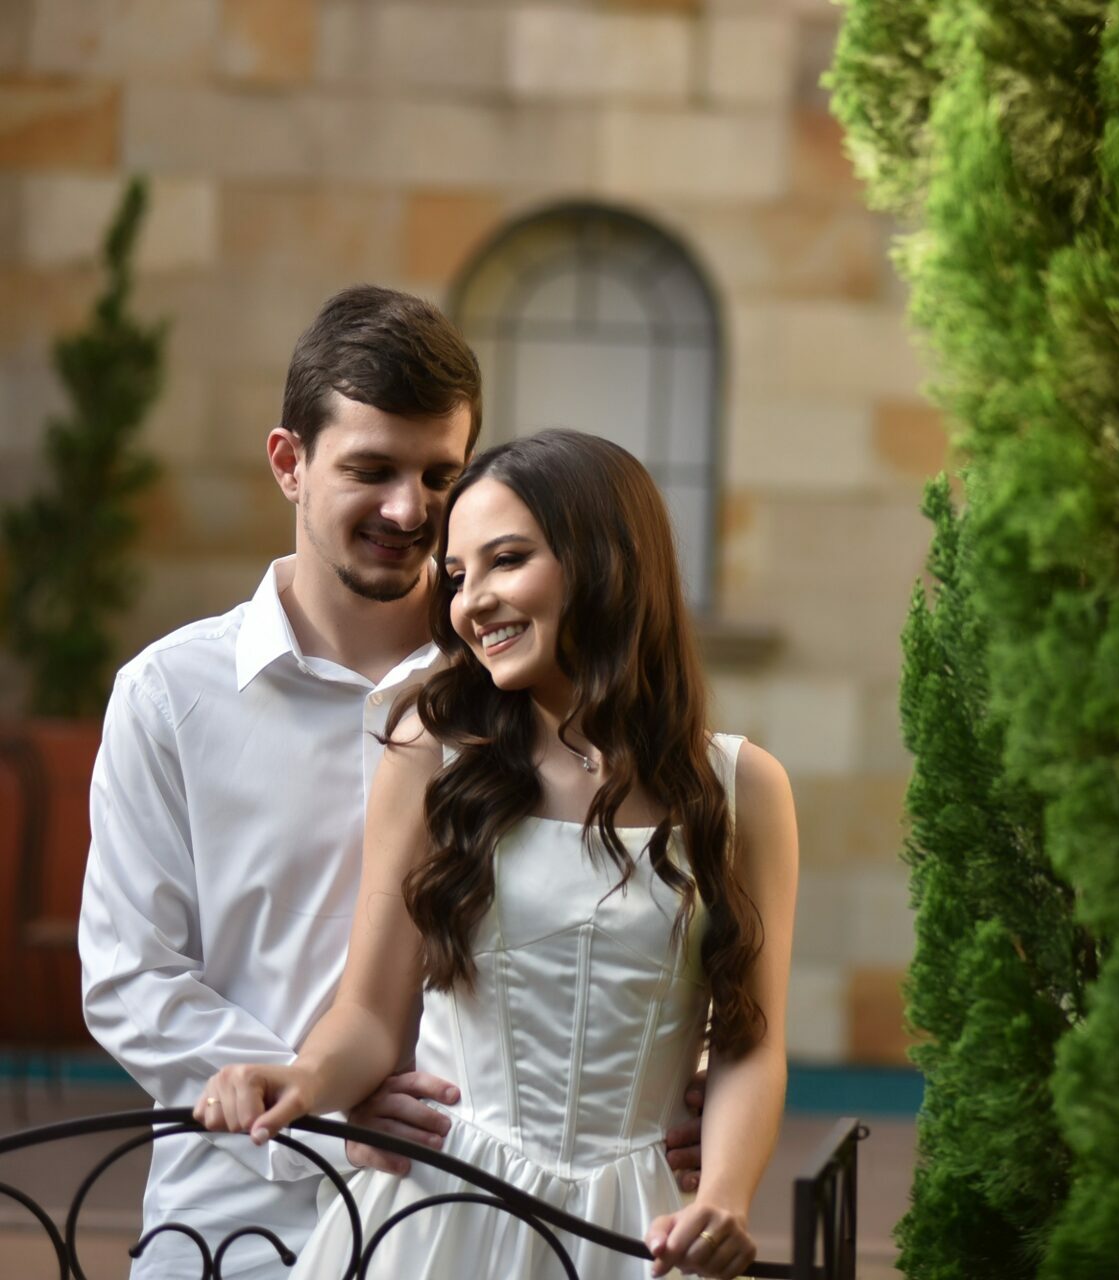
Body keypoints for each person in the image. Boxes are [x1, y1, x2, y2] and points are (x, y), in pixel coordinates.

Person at [78, 289, 705, 1280]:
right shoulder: (168, 695)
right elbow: (132, 979)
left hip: (467, 1219)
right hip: (230, 1218)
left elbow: (623, 903)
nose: (410, 510)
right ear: (289, 462)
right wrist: (326, 1105)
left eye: (439, 476)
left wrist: (678, 1076)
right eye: (371, 470)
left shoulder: (523, 689)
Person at [193, 430, 799, 1280]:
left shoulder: (744, 789)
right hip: (444, 1214)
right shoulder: (431, 754)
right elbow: (368, 1017)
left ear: (607, 561)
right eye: (455, 575)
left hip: (640, 1231)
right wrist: (299, 1079)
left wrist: (723, 1199)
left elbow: (749, 1042)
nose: (471, 602)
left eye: (506, 561)